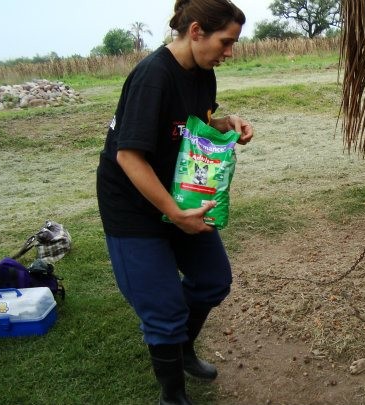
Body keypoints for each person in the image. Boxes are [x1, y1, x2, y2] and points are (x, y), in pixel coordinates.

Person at [95, 1, 252, 403]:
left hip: (178, 196)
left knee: (213, 279)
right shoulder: (153, 76)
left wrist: (224, 122)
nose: (229, 52)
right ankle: (172, 394)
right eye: (226, 42)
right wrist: (173, 213)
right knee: (164, 310)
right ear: (196, 31)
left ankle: (178, 348)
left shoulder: (203, 73)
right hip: (133, 206)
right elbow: (128, 155)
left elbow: (189, 122)